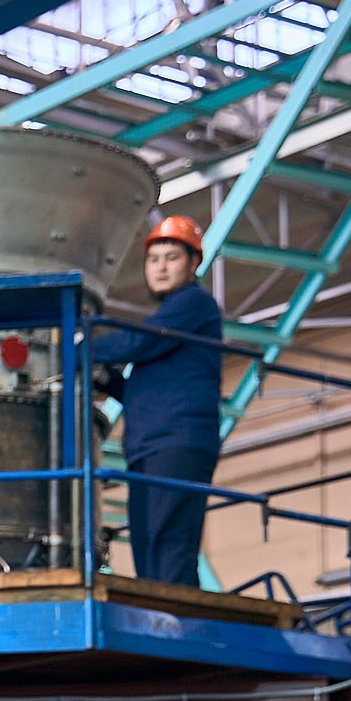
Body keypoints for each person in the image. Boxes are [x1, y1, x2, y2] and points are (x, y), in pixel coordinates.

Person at [93, 213, 224, 588]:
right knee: (148, 547)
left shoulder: (194, 304)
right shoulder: (173, 320)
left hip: (176, 441)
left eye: (172, 257)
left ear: (193, 263)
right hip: (149, 446)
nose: (161, 267)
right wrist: (109, 380)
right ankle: (162, 616)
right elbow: (144, 393)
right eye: (153, 259)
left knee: (169, 544)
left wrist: (84, 346)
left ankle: (178, 620)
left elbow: (141, 340)